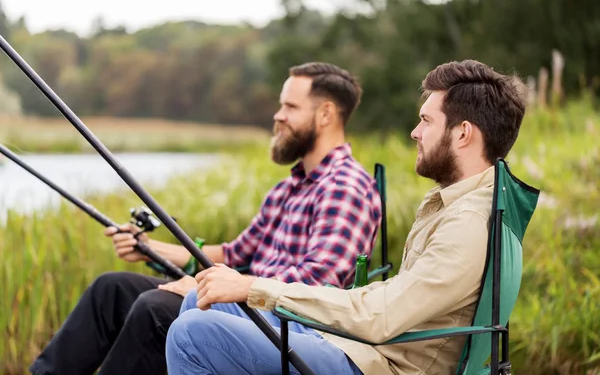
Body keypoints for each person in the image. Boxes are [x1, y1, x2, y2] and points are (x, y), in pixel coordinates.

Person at [165, 59, 528, 375]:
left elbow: (383, 315)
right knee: (201, 299)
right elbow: (397, 298)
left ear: (463, 133)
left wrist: (256, 288)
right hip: (367, 347)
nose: (415, 132)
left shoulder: (465, 224)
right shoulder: (464, 202)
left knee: (190, 334)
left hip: (381, 364)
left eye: (426, 121)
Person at [30, 62, 382, 375]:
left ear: (325, 114)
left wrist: (215, 288)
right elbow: (233, 254)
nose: (278, 115)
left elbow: (319, 282)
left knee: (154, 309)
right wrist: (151, 248)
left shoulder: (344, 186)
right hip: (240, 300)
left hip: (279, 322)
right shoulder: (289, 187)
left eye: (290, 106)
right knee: (112, 289)